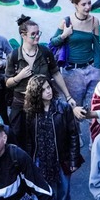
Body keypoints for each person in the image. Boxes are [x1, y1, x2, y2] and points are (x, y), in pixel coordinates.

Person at [5, 16, 73, 147]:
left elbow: (56, 73)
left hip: (43, 103)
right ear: (23, 35)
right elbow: (7, 83)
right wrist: (19, 77)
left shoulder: (45, 52)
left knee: (42, 137)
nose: (37, 36)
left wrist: (68, 95)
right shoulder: (13, 56)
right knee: (19, 137)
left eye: (38, 33)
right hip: (21, 103)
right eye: (33, 34)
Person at [23, 76, 82, 200]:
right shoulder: (31, 112)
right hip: (40, 159)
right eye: (43, 90)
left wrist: (73, 159)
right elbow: (29, 140)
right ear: (36, 93)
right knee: (41, 195)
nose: (48, 91)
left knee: (63, 192)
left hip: (61, 158)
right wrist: (29, 162)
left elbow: (73, 134)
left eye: (48, 87)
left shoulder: (63, 107)